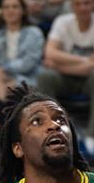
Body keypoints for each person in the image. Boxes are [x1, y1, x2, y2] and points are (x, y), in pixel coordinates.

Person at [37, 0, 94, 146]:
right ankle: (51, 131)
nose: (82, 8)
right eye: (78, 4)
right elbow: (50, 53)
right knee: (45, 76)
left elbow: (91, 67)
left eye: (86, 3)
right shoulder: (62, 22)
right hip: (64, 78)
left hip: (89, 79)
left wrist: (59, 64)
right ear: (72, 6)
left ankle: (92, 135)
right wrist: (85, 60)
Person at [0, 0, 44, 100]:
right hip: (1, 77)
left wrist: (4, 69)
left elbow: (28, 63)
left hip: (28, 78)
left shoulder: (34, 33)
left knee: (5, 86)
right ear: (2, 12)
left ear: (23, 11)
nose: (10, 10)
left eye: (15, 7)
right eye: (6, 7)